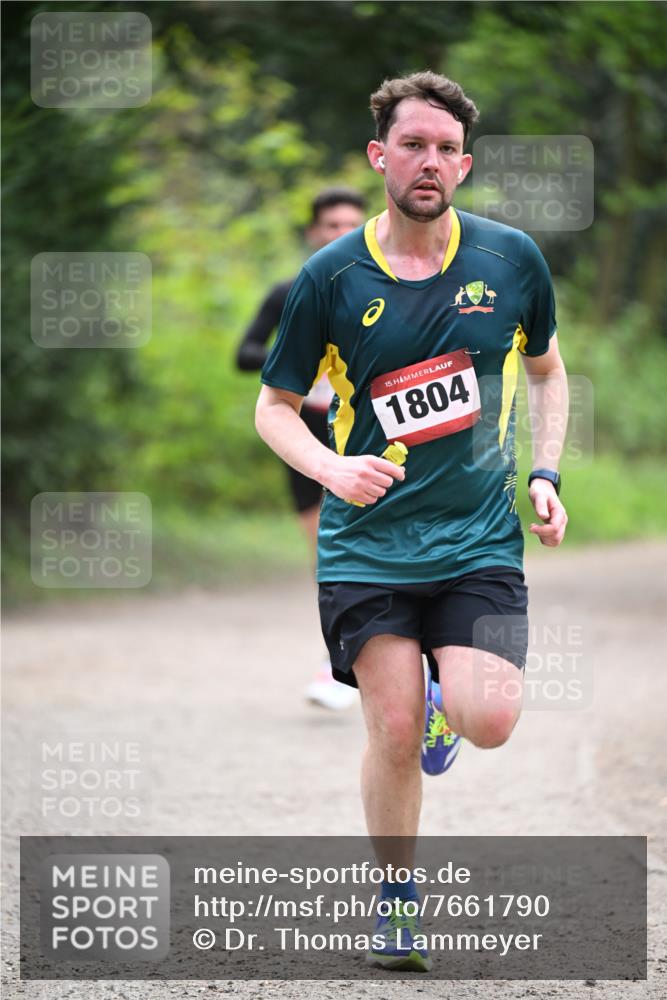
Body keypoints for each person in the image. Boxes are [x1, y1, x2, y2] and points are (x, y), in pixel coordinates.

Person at [255, 71, 568, 972]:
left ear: (463, 166)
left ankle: (444, 705)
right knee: (389, 731)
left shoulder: (510, 260)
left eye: (445, 150)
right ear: (378, 156)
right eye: (412, 145)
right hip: (368, 543)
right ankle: (396, 904)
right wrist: (330, 468)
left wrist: (544, 472)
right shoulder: (329, 276)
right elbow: (273, 408)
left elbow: (547, 373)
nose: (428, 161)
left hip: (476, 537)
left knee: (490, 720)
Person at [237, 187, 366, 710]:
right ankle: (341, 664)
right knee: (327, 557)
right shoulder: (291, 292)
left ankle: (375, 663)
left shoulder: (384, 289)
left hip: (365, 436)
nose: (342, 234)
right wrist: (294, 356)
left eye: (352, 224)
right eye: (332, 225)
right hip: (306, 437)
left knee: (374, 552)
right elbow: (245, 353)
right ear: (314, 232)